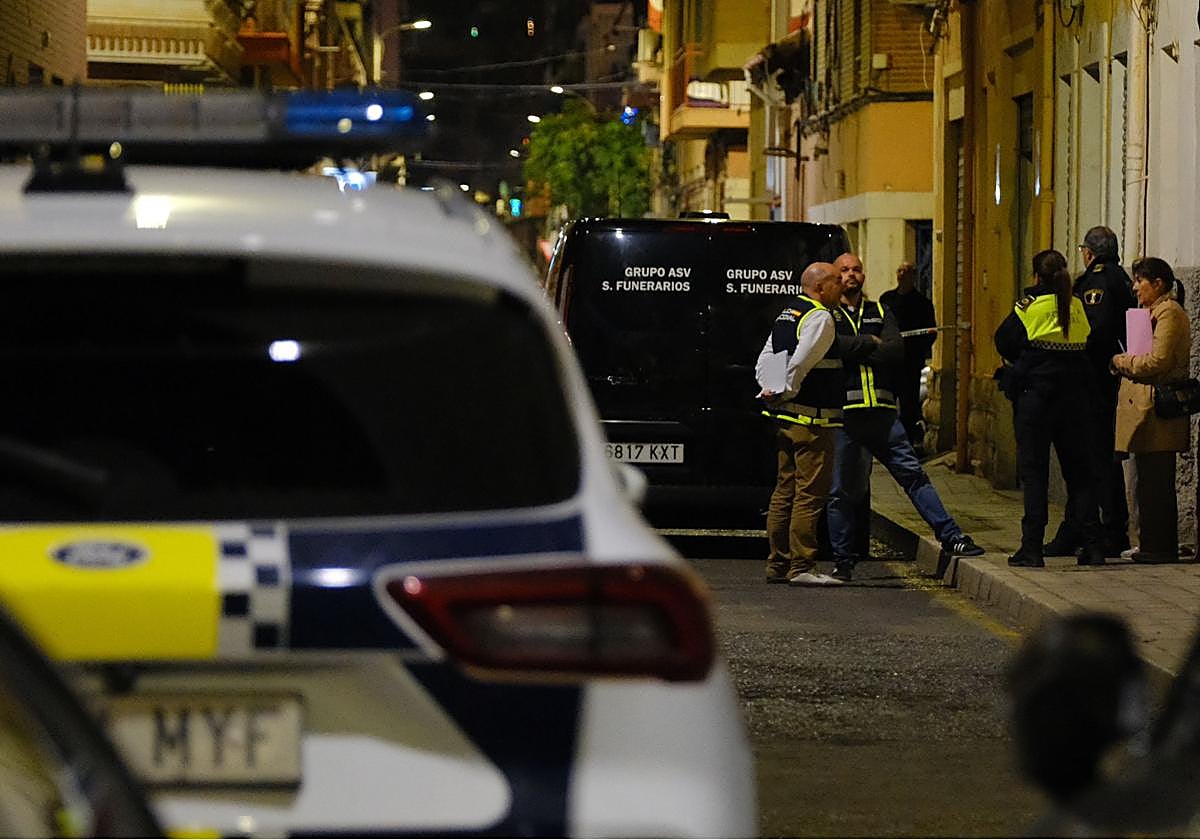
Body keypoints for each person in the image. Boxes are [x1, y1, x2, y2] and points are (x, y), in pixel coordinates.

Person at [826, 253, 984, 582]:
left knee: (914, 477)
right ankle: (843, 561)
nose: (851, 275)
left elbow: (896, 351)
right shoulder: (826, 316)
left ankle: (951, 537)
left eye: (856, 269)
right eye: (845, 271)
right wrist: (870, 342)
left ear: (863, 275)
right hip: (845, 417)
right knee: (841, 491)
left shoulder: (881, 310)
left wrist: (855, 348)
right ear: (835, 278)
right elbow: (830, 348)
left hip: (884, 415)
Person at [995, 249, 1104, 568]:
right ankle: (1094, 546)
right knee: (1080, 474)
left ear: (1036, 276)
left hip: (1037, 399)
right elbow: (1090, 344)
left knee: (1035, 472)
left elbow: (1004, 340)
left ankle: (1032, 548)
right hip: (1075, 399)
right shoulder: (1077, 306)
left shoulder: (1028, 306)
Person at [1044, 226, 1137, 557]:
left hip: (1093, 382)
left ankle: (1107, 530)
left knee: (1094, 458)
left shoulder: (1098, 282)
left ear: (1090, 252)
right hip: (1106, 380)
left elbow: (1092, 331)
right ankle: (1090, 526)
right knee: (1097, 457)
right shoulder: (1123, 279)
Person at [756, 261, 847, 586]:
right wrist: (784, 389)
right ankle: (801, 567)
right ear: (820, 287)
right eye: (837, 280)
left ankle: (777, 564)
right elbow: (800, 362)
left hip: (786, 418)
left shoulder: (789, 312)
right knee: (810, 492)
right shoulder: (820, 316)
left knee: (785, 489)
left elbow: (767, 357)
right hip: (813, 420)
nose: (844, 284)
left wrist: (770, 390)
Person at [1110, 257, 1190, 564]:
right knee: (1144, 480)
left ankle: (1158, 547)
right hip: (1145, 408)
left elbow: (1157, 361)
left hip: (1158, 410)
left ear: (1158, 284)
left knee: (1156, 481)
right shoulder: (1151, 312)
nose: (1134, 287)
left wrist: (1121, 361)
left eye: (1140, 281)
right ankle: (1147, 543)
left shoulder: (1169, 313)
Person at [880, 262, 937, 451]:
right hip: (889, 361)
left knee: (909, 404)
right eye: (899, 271)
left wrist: (918, 351)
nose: (902, 275)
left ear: (914, 276)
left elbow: (930, 332)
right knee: (886, 401)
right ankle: (885, 439)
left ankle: (909, 441)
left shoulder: (922, 304)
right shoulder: (887, 300)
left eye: (907, 272)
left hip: (911, 363)